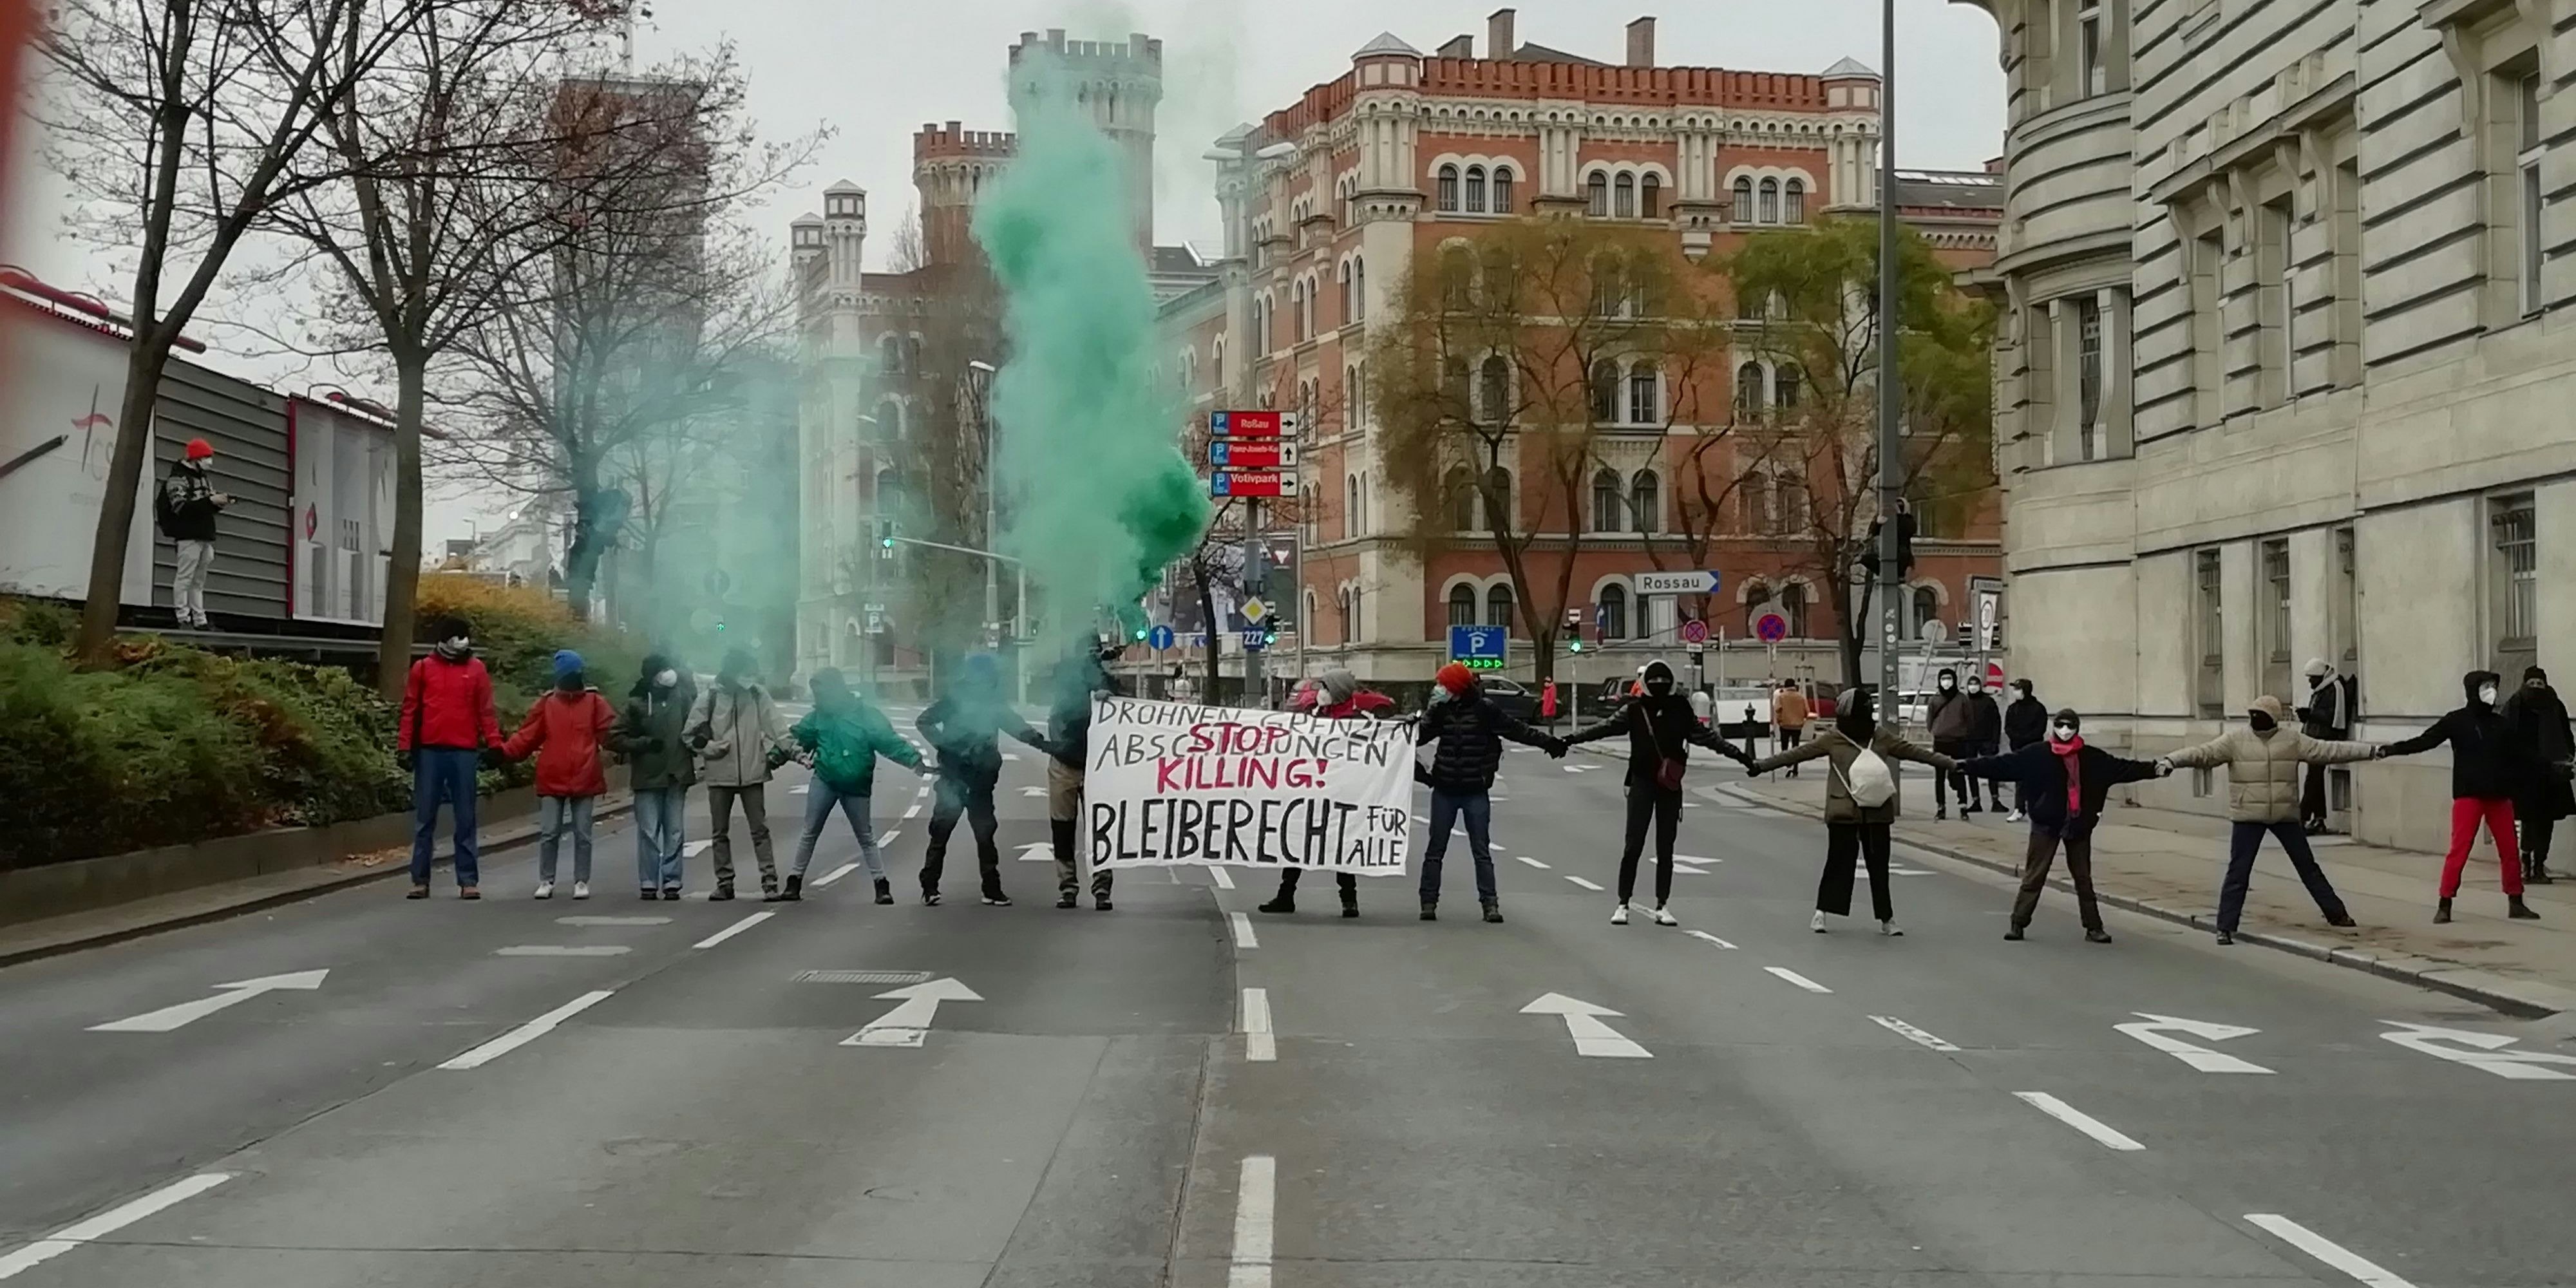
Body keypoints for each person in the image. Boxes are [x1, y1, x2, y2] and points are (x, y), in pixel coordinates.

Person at [2163, 695, 2376, 943]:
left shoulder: (2291, 740)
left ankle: (2337, 914)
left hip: (2284, 815)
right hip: (2248, 816)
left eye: (2261, 716)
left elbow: (2329, 750)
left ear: (2273, 719)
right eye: (2252, 715)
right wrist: (2172, 760)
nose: (2255, 719)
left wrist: (2372, 751)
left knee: (2307, 867)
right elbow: (2203, 754)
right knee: (2239, 872)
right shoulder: (2235, 740)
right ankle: (2225, 926)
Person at [1563, 659, 1755, 926]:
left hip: (1668, 785)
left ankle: (1661, 904)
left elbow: (1708, 738)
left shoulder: (1679, 709)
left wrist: (1741, 757)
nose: (1659, 685)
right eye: (1655, 682)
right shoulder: (1635, 709)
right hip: (1643, 782)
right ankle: (1623, 903)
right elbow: (1604, 729)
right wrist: (1571, 739)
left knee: (1665, 847)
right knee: (1634, 845)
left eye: (1663, 682)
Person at [1750, 686, 1954, 936]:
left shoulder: (1879, 737)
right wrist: (1762, 766)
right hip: (1845, 813)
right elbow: (1798, 754)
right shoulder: (1835, 738)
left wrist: (1951, 764)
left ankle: (1886, 917)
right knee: (1838, 863)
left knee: (1878, 867)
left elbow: (1915, 752)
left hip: (1875, 812)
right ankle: (1823, 911)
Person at [1956, 710, 2161, 943]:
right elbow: (2002, 765)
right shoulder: (2038, 754)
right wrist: (1966, 766)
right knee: (2034, 876)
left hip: (2078, 823)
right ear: (2053, 727)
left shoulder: (2092, 758)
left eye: (2070, 726)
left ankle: (2094, 927)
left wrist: (2154, 769)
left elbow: (2125, 768)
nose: (2065, 730)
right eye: (2060, 725)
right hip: (2046, 822)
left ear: (2077, 729)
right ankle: (2018, 923)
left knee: (2083, 879)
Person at [2382, 671, 2543, 922]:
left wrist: (2552, 767)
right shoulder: (2457, 721)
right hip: (2469, 795)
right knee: (2460, 849)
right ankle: (2445, 903)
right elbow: (2425, 741)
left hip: (2499, 796)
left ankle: (2516, 901)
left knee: (2510, 849)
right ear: (2473, 690)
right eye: (2486, 687)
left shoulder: (2500, 724)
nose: (2491, 692)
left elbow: (2523, 753)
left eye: (2493, 687)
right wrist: (2393, 750)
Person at [1416, 661, 1564, 923]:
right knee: (1435, 849)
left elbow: (1516, 730)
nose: (1438, 689)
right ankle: (1428, 902)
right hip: (1445, 788)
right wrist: (1411, 725)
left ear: (1455, 687)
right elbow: (1416, 737)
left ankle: (1490, 903)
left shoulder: (1484, 710)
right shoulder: (1440, 710)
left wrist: (1548, 742)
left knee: (1481, 850)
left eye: (1443, 684)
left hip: (1475, 789)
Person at [916, 654, 1050, 907]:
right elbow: (924, 721)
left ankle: (986, 887)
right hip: (955, 776)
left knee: (981, 834)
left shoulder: (990, 702)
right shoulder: (955, 700)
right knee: (947, 832)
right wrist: (948, 746)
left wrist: (1040, 742)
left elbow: (1015, 725)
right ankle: (934, 885)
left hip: (979, 778)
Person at [1258, 668, 1394, 916]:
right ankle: (1286, 896)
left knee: (1341, 844)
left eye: (1325, 688)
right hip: (1312, 792)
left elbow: (1382, 750)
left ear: (1337, 692)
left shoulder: (1358, 722)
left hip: (1343, 794)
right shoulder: (1313, 718)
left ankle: (1349, 900)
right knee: (1299, 842)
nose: (1320, 693)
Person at [786, 668, 924, 904]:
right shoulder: (847, 715)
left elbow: (888, 741)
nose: (818, 697)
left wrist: (913, 759)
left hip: (834, 780)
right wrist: (913, 760)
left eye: (821, 692)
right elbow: (795, 741)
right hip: (845, 780)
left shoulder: (840, 716)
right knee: (850, 835)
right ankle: (880, 886)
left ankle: (795, 882)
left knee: (828, 833)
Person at [501, 650, 620, 900]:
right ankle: (547, 880)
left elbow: (612, 733)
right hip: (555, 776)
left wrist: (627, 746)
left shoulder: (595, 703)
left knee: (582, 833)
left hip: (584, 776)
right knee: (550, 832)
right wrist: (504, 752)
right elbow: (527, 736)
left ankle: (580, 880)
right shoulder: (548, 704)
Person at [398, 617, 502, 900]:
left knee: (466, 817)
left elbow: (486, 711)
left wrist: (494, 743)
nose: (461, 643)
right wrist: (404, 746)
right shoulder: (423, 669)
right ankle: (420, 880)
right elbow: (411, 709)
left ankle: (468, 880)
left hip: (464, 751)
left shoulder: (477, 669)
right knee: (425, 819)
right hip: (429, 751)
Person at [685, 647, 791, 902]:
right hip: (720, 774)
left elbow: (778, 728)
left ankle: (770, 883)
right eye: (746, 673)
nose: (750, 678)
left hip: (753, 773)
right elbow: (690, 735)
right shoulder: (710, 698)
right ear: (732, 672)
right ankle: (725, 883)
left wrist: (797, 753)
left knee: (760, 830)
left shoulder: (757, 695)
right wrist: (710, 748)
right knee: (719, 832)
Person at [1045, 643, 1122, 911]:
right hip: (1065, 762)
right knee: (1062, 828)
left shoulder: (1106, 680)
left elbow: (1124, 710)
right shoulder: (1065, 676)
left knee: (1100, 828)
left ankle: (1102, 887)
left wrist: (1108, 694)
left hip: (1096, 765)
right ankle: (1067, 886)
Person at [619, 654, 696, 900]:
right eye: (662, 670)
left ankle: (672, 881)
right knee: (648, 831)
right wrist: (644, 743)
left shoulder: (682, 698)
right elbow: (615, 736)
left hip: (677, 774)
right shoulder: (637, 703)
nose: (668, 674)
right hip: (647, 777)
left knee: (675, 832)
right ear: (652, 675)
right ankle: (648, 881)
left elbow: (696, 725)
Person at [2501, 667, 2572, 886]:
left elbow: (2566, 734)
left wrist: (2567, 757)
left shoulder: (2555, 705)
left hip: (2551, 773)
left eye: (2539, 683)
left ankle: (2540, 866)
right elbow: (2505, 736)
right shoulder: (2515, 705)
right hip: (2525, 774)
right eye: (2531, 683)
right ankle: (2526, 864)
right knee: (2529, 821)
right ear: (2525, 684)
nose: (2535, 687)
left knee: (2547, 822)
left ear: (2545, 684)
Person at [155, 437, 232, 629]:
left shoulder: (204, 478)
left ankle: (200, 619)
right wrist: (210, 502)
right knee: (185, 577)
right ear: (195, 458)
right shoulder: (177, 479)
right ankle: (183, 617)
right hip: (187, 535)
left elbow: (205, 505)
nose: (209, 462)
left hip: (205, 534)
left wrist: (218, 503)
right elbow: (181, 507)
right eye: (206, 457)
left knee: (198, 581)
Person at [2297, 658, 2354, 833]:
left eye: (2312, 679)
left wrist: (2309, 715)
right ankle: (2319, 819)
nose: (2310, 682)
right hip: (2316, 737)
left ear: (2320, 677)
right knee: (2316, 778)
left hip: (2324, 739)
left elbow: (2332, 717)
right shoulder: (2324, 689)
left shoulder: (2334, 688)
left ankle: (2303, 817)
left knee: (2313, 779)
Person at [1924, 668, 1976, 819]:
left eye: (1949, 679)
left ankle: (1963, 806)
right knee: (1939, 777)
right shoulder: (1935, 699)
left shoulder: (1962, 699)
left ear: (1954, 680)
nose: (1946, 682)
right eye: (1943, 679)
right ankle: (1941, 807)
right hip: (1940, 741)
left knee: (1959, 774)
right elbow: (1929, 721)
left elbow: (1969, 719)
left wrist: (1964, 733)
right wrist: (1936, 731)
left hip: (1958, 742)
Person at [2001, 679, 2049, 823]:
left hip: (2034, 748)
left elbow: (2040, 729)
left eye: (2018, 689)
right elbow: (2008, 727)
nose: (2015, 692)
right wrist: (2017, 738)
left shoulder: (2038, 709)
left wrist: (2026, 738)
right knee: (2020, 780)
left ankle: (2037, 808)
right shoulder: (2012, 709)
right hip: (2017, 748)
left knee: (2035, 779)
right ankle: (2019, 808)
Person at [1963, 676, 2005, 813]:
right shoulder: (1964, 702)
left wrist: (1995, 741)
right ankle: (1976, 801)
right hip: (1969, 742)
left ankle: (1995, 800)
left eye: (1975, 684)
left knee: (1992, 770)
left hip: (1987, 741)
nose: (1973, 687)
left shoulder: (1988, 701)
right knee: (1971, 771)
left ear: (1980, 686)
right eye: (1971, 684)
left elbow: (1996, 722)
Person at [1772, 681, 1810, 777]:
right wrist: (1802, 720)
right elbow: (1807, 711)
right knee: (1796, 747)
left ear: (1785, 686)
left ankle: (1787, 763)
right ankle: (1795, 769)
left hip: (1785, 725)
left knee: (1784, 746)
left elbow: (1777, 710)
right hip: (1797, 726)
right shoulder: (1801, 697)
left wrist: (1780, 721)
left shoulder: (1781, 697)